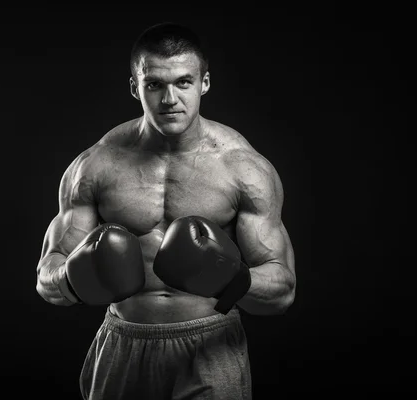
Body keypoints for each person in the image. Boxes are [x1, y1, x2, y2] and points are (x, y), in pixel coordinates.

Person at [36, 21, 296, 400]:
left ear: (204, 83)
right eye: (154, 84)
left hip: (210, 346)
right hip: (123, 343)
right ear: (135, 87)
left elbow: (282, 290)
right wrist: (72, 280)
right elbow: (46, 277)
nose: (170, 99)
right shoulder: (96, 166)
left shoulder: (244, 169)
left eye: (184, 82)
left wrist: (229, 279)